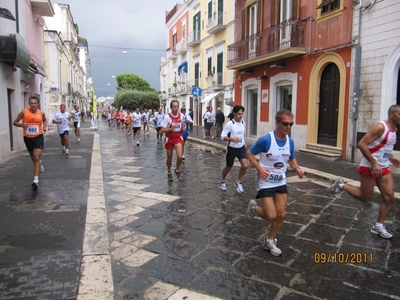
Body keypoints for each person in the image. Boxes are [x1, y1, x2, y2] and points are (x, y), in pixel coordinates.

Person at [330, 104, 400, 239]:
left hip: (384, 166)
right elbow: (361, 144)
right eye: (399, 114)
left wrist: (391, 158)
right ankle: (341, 185)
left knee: (389, 197)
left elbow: (383, 147)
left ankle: (378, 226)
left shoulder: (394, 130)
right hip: (369, 165)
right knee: (365, 197)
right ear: (391, 115)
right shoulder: (381, 127)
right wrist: (374, 162)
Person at [246, 109, 304, 256]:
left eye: (291, 124)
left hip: (280, 182)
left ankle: (269, 241)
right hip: (266, 182)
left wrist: (296, 168)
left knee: (282, 214)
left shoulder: (290, 141)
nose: (288, 127)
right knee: (271, 216)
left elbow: (291, 158)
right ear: (277, 122)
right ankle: (254, 207)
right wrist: (259, 169)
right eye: (285, 123)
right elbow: (249, 153)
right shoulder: (266, 140)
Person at [13, 96, 48, 189]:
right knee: (34, 158)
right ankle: (39, 163)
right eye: (31, 103)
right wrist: (22, 125)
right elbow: (15, 122)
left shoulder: (41, 113)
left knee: (36, 157)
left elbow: (45, 120)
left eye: (35, 103)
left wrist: (44, 126)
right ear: (29, 103)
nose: (33, 105)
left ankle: (35, 180)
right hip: (28, 137)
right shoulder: (24, 112)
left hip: (38, 136)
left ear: (38, 104)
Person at [220, 105, 248, 193]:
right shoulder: (230, 124)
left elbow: (241, 135)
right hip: (232, 148)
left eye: (242, 114)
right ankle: (222, 181)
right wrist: (232, 139)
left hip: (241, 148)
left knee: (245, 165)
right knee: (228, 167)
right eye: (239, 113)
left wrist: (244, 142)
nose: (241, 115)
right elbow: (222, 136)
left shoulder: (243, 123)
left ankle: (238, 181)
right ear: (234, 113)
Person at [160, 100, 185, 181]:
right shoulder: (167, 117)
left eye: (177, 106)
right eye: (174, 107)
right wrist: (171, 128)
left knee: (180, 156)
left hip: (178, 138)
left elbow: (182, 125)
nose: (176, 108)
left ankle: (177, 169)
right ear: (171, 107)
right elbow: (162, 130)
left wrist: (183, 128)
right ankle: (169, 171)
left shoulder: (181, 115)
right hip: (169, 139)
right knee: (169, 158)